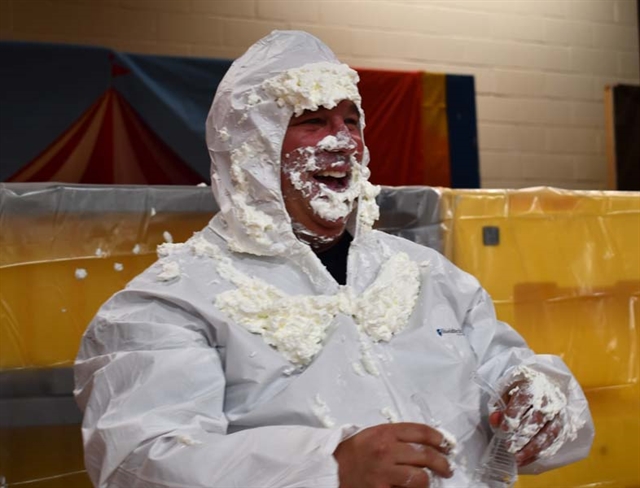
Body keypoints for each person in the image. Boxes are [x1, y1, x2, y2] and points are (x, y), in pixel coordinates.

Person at [74, 30, 594, 488]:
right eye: (313, 121)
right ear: (252, 149)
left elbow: (507, 375)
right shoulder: (169, 302)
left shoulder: (423, 275)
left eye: (351, 120)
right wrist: (327, 467)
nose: (341, 142)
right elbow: (139, 465)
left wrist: (542, 402)